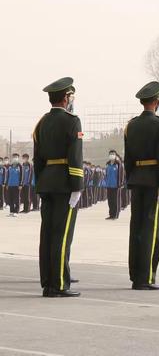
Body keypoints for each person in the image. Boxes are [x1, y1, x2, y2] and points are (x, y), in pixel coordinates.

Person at [33, 77, 83, 297]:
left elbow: (37, 160)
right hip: (64, 183)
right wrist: (77, 186)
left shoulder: (41, 122)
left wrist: (40, 183)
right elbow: (75, 156)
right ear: (65, 98)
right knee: (62, 235)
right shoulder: (72, 121)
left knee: (47, 234)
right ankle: (60, 283)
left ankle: (47, 282)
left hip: (47, 182)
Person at [124, 81, 159, 290]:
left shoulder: (131, 125)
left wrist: (130, 178)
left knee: (136, 228)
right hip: (153, 180)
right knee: (151, 229)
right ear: (156, 102)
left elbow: (128, 158)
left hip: (137, 179)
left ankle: (135, 274)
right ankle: (146, 277)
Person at [105, 150, 122, 220]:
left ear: (115, 155)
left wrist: (120, 183)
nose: (111, 155)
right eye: (110, 154)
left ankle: (115, 215)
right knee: (110, 201)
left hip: (116, 185)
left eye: (113, 154)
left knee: (115, 201)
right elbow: (106, 174)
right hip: (109, 185)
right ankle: (111, 214)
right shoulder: (107, 164)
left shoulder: (118, 164)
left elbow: (121, 174)